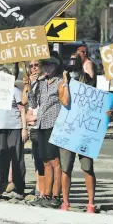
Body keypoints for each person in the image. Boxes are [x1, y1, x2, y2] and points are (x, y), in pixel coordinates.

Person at [28, 53, 70, 208]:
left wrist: (65, 83)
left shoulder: (60, 81)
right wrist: (31, 86)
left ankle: (55, 195)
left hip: (53, 123)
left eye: (50, 64)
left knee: (55, 161)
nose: (46, 67)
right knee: (45, 161)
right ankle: (45, 194)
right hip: (41, 124)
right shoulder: (40, 82)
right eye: (44, 64)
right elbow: (33, 103)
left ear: (55, 66)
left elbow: (65, 101)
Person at [59, 52, 98, 213]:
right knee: (65, 168)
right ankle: (65, 201)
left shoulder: (88, 80)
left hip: (84, 130)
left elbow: (97, 101)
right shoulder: (62, 83)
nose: (73, 64)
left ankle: (90, 203)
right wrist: (66, 83)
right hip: (68, 129)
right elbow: (65, 101)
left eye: (76, 61)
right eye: (71, 61)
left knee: (87, 167)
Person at [0, 66, 27, 199]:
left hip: (15, 127)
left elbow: (22, 109)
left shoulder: (15, 90)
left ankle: (19, 187)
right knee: (1, 157)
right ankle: (1, 186)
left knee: (16, 157)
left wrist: (24, 128)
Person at [22, 60, 46, 202]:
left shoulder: (46, 81)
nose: (34, 68)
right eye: (31, 66)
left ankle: (45, 190)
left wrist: (35, 116)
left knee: (46, 161)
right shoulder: (31, 83)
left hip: (45, 125)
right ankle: (38, 187)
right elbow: (25, 102)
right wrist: (27, 85)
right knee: (37, 159)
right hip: (34, 127)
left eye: (36, 65)